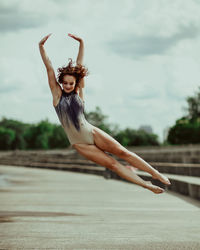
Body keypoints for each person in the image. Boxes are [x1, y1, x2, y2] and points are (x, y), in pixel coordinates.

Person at [38, 33, 171, 194]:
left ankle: (155, 173)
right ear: (61, 83)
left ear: (75, 83)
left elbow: (79, 66)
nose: (67, 85)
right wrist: (41, 47)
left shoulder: (79, 92)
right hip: (80, 143)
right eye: (65, 83)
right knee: (113, 164)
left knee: (124, 152)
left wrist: (81, 43)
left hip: (91, 131)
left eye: (70, 83)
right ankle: (146, 184)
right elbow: (50, 69)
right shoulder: (57, 96)